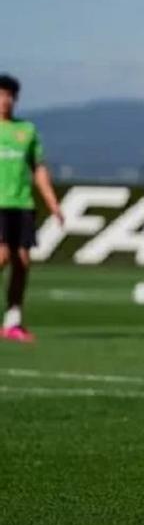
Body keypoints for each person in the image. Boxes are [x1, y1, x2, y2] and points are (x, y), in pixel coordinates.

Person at [0, 74, 63, 344]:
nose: (5, 100)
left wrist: (53, 203)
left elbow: (38, 168)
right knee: (2, 255)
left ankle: (13, 320)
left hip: (22, 204)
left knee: (22, 262)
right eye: (1, 94)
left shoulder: (26, 130)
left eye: (10, 95)